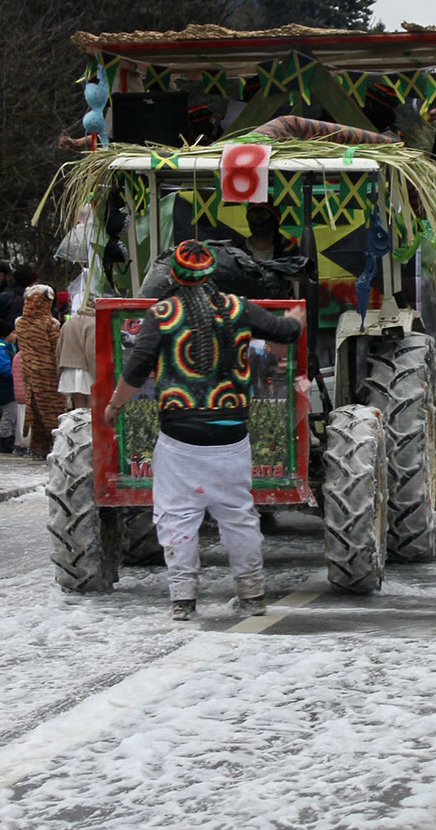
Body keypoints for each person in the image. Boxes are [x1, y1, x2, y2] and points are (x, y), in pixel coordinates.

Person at [103, 238, 304, 620]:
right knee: (238, 516)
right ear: (212, 273)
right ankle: (252, 594)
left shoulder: (162, 315)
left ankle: (183, 599)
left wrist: (115, 406)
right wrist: (296, 319)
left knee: (177, 518)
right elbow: (284, 332)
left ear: (174, 276)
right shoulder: (237, 308)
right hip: (232, 438)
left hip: (179, 439)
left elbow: (137, 367)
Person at [14, 284, 65, 458]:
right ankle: (57, 447)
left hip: (29, 371)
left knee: (35, 410)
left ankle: (38, 448)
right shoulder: (50, 324)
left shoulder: (20, 323)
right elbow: (56, 350)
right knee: (53, 411)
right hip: (48, 373)